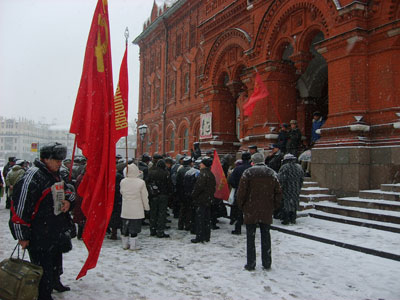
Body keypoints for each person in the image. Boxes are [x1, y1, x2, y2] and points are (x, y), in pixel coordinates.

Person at [9, 142, 75, 300]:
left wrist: (68, 201)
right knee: (42, 267)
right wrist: (22, 236)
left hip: (55, 228)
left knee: (55, 261)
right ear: (45, 159)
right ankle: (44, 294)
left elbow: (68, 189)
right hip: (38, 232)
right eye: (57, 160)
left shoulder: (55, 173)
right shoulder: (32, 176)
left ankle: (55, 282)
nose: (60, 164)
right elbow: (20, 209)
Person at [236, 152, 282, 271]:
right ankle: (267, 262)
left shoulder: (248, 173)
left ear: (253, 161)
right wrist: (274, 206)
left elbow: (241, 192)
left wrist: (242, 205)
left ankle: (251, 263)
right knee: (266, 235)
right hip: (266, 209)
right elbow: (278, 192)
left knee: (250, 237)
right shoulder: (271, 173)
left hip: (250, 208)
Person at [120, 163, 150, 250]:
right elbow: (144, 196)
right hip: (137, 208)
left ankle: (125, 244)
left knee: (125, 226)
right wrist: (146, 207)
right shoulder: (141, 182)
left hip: (126, 207)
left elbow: (121, 192)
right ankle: (134, 245)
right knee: (135, 227)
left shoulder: (123, 181)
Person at [191, 156, 216, 243]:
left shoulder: (203, 174)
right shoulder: (211, 174)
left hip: (201, 199)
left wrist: (193, 195)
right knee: (206, 219)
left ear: (204, 165)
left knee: (200, 219)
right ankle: (206, 236)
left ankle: (199, 236)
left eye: (201, 163)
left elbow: (199, 187)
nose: (200, 165)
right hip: (208, 199)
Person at [228, 152, 252, 235]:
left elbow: (231, 180)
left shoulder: (237, 168)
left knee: (239, 211)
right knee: (249, 211)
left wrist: (236, 186)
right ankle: (250, 229)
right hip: (250, 193)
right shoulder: (252, 168)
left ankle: (238, 228)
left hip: (239, 191)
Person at [147, 159, 172, 238]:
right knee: (162, 213)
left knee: (153, 213)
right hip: (163, 195)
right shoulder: (166, 173)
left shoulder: (150, 172)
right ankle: (160, 231)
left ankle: (152, 230)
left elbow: (147, 183)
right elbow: (169, 185)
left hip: (153, 195)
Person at [277, 153, 304, 225]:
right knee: (294, 203)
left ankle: (286, 219)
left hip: (287, 188)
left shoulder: (284, 167)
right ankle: (293, 218)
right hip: (296, 188)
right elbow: (302, 178)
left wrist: (280, 187)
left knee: (287, 204)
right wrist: (299, 186)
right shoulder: (299, 167)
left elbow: (281, 179)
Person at [176, 156, 193, 230]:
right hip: (189, 193)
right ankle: (187, 225)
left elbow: (177, 183)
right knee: (189, 210)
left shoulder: (180, 170)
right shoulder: (191, 171)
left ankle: (180, 225)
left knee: (182, 209)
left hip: (181, 193)